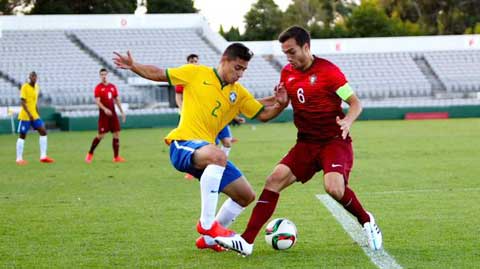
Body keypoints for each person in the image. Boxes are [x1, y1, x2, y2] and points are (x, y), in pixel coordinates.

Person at [215, 26, 383, 256]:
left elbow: (355, 103)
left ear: (306, 47)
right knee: (273, 180)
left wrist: (348, 121)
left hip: (334, 140)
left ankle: (366, 220)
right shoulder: (287, 72)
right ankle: (246, 241)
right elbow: (278, 100)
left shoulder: (329, 72)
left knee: (333, 188)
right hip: (305, 143)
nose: (289, 57)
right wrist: (250, 104)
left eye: (292, 51)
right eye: (285, 53)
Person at [113, 43, 287, 252]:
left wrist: (281, 105)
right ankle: (206, 225)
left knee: (245, 195)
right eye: (237, 67)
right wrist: (134, 66)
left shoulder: (238, 93)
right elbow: (159, 74)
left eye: (244, 69)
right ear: (224, 60)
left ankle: (210, 240)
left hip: (206, 153)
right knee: (218, 155)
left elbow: (263, 115)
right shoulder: (195, 73)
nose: (240, 74)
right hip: (183, 144)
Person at [85, 68, 126, 163]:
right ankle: (90, 154)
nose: (104, 76)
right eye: (102, 75)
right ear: (100, 76)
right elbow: (97, 102)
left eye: (105, 74)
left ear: (108, 75)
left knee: (116, 134)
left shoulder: (112, 87)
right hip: (104, 115)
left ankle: (116, 157)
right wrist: (105, 109)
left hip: (113, 114)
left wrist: (122, 112)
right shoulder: (98, 88)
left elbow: (117, 100)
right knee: (101, 135)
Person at [16, 71, 54, 165]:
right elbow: (23, 102)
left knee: (43, 132)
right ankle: (19, 159)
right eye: (32, 77)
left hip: (35, 115)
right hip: (25, 116)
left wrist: (37, 113)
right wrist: (29, 114)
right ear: (29, 78)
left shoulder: (37, 87)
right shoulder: (25, 87)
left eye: (35, 77)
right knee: (22, 135)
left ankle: (43, 157)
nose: (34, 78)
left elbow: (34, 102)